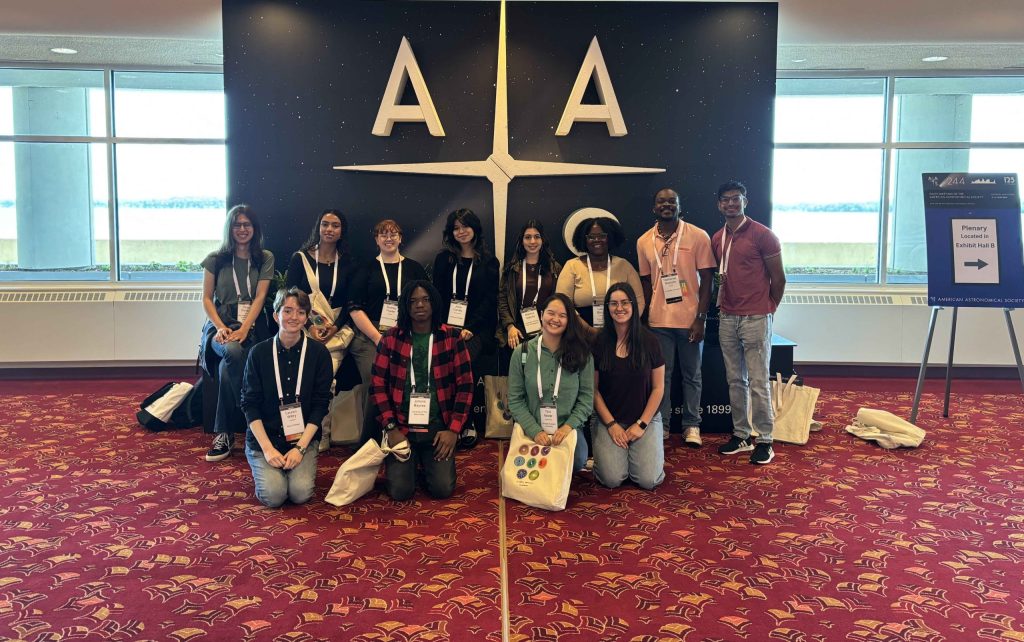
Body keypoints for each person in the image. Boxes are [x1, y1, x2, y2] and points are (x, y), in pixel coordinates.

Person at [370, 280, 474, 500]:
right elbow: (377, 386)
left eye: (425, 299)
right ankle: (411, 461)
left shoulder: (452, 338)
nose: (419, 305)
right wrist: (391, 429)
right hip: (401, 428)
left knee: (442, 489)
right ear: (406, 306)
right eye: (413, 300)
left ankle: (423, 461)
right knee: (400, 492)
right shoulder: (390, 339)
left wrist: (453, 430)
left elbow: (465, 386)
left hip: (438, 430)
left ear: (434, 303)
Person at [711, 180, 787, 465]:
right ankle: (741, 434)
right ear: (719, 204)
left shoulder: (763, 235)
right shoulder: (718, 238)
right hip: (727, 317)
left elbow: (778, 278)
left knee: (758, 381)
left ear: (746, 201)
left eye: (736, 198)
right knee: (735, 380)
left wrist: (769, 308)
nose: (731, 203)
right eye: (725, 199)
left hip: (756, 316)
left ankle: (765, 439)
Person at [637, 188, 716, 448]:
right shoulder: (644, 241)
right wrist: (648, 315)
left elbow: (707, 281)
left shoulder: (697, 236)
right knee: (663, 376)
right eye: (661, 201)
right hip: (659, 322)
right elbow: (647, 281)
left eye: (672, 201)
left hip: (690, 320)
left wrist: (701, 318)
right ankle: (663, 425)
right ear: (654, 208)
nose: (667, 205)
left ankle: (692, 425)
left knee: (692, 375)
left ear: (680, 206)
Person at [240, 288, 333, 507]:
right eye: (287, 310)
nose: (294, 317)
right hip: (266, 437)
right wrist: (267, 448)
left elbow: (321, 405)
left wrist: (300, 448)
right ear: (276, 315)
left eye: (301, 312)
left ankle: (291, 466)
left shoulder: (319, 354)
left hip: (302, 438)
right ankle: (262, 461)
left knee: (300, 494)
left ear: (307, 317)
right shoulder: (259, 353)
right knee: (274, 496)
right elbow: (249, 404)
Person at [199, 204, 274, 463]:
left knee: (227, 367)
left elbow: (261, 296)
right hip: (221, 325)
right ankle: (251, 421)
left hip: (252, 325)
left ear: (255, 229)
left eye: (247, 225)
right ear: (229, 228)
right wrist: (221, 327)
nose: (242, 230)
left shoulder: (264, 258)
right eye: (237, 224)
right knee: (231, 350)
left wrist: (245, 328)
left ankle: (225, 432)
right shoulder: (215, 259)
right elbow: (207, 299)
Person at [348, 220, 429, 442]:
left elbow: (424, 305)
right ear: (376, 240)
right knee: (376, 382)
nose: (388, 238)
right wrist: (378, 337)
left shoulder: (414, 268)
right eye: (382, 234)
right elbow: (354, 308)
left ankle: (407, 434)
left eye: (393, 234)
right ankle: (370, 441)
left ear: (401, 238)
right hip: (369, 335)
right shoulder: (364, 268)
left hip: (406, 333)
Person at [431, 209, 500, 449]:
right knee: (440, 365)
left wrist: (469, 328)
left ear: (475, 229)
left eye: (465, 226)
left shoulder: (489, 262)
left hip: (477, 330)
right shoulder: (443, 259)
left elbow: (490, 302)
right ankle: (444, 420)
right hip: (444, 327)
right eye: (456, 228)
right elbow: (436, 295)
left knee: (464, 364)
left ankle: (465, 421)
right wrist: (444, 326)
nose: (461, 231)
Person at [507, 293, 594, 474]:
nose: (555, 319)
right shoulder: (521, 353)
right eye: (551, 313)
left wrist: (568, 426)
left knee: (578, 460)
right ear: (541, 315)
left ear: (570, 320)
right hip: (531, 428)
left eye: (563, 316)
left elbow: (586, 399)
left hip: (567, 429)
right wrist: (534, 431)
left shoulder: (582, 354)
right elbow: (515, 400)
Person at [591, 283, 666, 489]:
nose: (619, 308)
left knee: (648, 480)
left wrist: (641, 424)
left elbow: (658, 388)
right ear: (607, 308)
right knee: (612, 479)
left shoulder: (650, 341)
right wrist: (612, 425)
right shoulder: (598, 342)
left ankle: (646, 455)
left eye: (625, 302)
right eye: (613, 303)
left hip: (645, 419)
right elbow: (593, 390)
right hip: (609, 420)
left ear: (633, 306)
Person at [285, 208, 356, 375]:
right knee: (301, 376)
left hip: (335, 331)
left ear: (342, 231)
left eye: (335, 226)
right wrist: (309, 327)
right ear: (318, 227)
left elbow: (350, 302)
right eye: (325, 224)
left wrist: (334, 329)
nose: (329, 229)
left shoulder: (348, 262)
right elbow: (290, 297)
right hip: (303, 327)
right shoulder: (300, 258)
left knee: (325, 378)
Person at [556, 217, 645, 336]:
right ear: (584, 239)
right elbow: (563, 303)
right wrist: (588, 330)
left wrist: (624, 327)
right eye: (591, 237)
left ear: (610, 238)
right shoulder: (572, 266)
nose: (597, 240)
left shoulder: (624, 266)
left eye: (602, 236)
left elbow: (639, 301)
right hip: (581, 334)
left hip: (620, 332)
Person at [497, 220, 562, 350]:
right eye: (528, 237)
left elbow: (560, 301)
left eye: (537, 237)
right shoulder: (512, 269)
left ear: (543, 240)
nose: (532, 241)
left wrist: (550, 327)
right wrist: (509, 326)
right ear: (522, 241)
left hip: (546, 329)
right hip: (516, 329)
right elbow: (502, 299)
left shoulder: (554, 268)